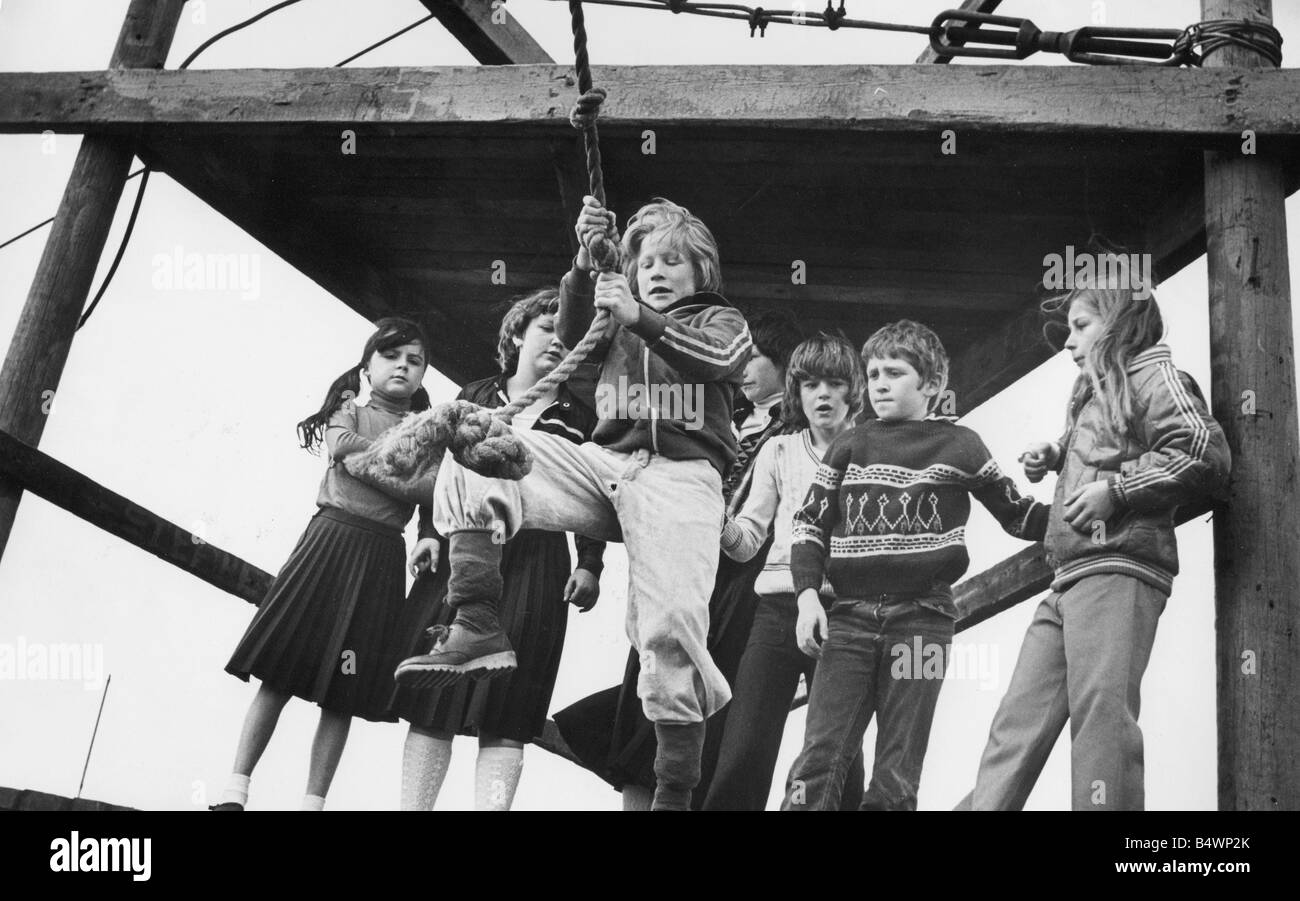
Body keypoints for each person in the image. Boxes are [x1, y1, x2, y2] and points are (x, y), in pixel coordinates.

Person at [397, 196, 752, 809]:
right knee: (480, 442)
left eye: (672, 261)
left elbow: (721, 360)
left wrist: (641, 316)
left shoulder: (720, 322)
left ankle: (672, 794)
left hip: (684, 480)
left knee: (668, 636)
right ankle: (477, 620)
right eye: (646, 263)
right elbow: (569, 331)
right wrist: (585, 265)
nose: (656, 272)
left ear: (702, 274)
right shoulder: (614, 320)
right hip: (610, 465)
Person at [965, 283, 1230, 810]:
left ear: (1121, 327)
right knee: (1015, 722)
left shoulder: (1157, 376)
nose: (1068, 342)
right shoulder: (1093, 392)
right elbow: (1104, 441)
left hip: (1120, 568)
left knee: (1101, 718)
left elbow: (1204, 449)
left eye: (1081, 327)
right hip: (1067, 575)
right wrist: (1056, 452)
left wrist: (1118, 490)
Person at [782, 319, 1050, 811]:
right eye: (874, 372)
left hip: (923, 620)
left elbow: (1020, 515)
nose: (879, 382)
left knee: (897, 767)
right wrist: (805, 599)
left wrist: (1088, 504)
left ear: (930, 385)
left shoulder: (962, 445)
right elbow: (808, 526)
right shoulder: (850, 444)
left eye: (894, 372)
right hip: (849, 618)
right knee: (819, 755)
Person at [552, 309, 814, 810]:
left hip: (740, 585)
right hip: (680, 561)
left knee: (706, 710)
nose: (744, 366)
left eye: (755, 356)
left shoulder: (796, 434)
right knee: (647, 701)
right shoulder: (723, 412)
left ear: (785, 366)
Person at [390, 289, 604, 811]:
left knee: (511, 703)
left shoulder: (583, 416)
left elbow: (592, 487)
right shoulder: (475, 395)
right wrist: (428, 535)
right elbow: (445, 472)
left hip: (539, 561)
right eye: (545, 328)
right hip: (464, 556)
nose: (557, 340)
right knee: (437, 691)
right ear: (515, 336)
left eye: (566, 334)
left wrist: (590, 564)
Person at [214, 318, 434, 811]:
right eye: (391, 354)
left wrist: (421, 521)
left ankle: (312, 804)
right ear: (368, 364)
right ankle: (235, 790)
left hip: (381, 555)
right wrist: (401, 471)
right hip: (328, 543)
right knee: (280, 670)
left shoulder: (425, 433)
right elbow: (341, 448)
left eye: (413, 360)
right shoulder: (346, 410)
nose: (402, 365)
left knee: (344, 691)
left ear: (422, 376)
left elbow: (429, 493)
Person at [704, 334, 868, 810]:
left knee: (839, 754)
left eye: (834, 383)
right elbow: (747, 540)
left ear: (852, 390)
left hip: (846, 615)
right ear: (795, 392)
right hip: (776, 609)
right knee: (745, 745)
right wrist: (712, 517)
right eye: (810, 383)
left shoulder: (873, 450)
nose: (822, 394)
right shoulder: (779, 451)